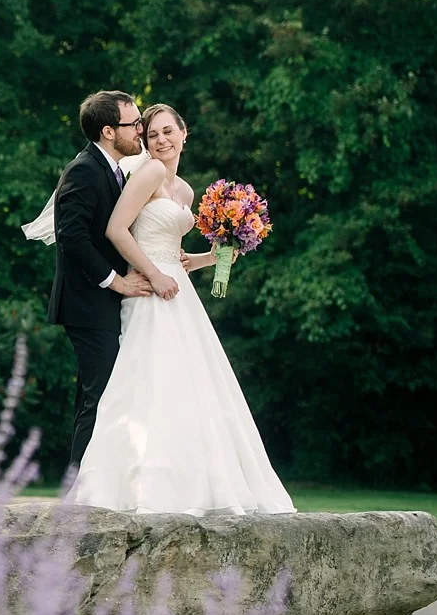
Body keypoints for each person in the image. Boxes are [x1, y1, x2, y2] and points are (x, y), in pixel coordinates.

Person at [63, 102, 294, 515]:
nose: (161, 140)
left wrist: (219, 254)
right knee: (149, 386)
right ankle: (135, 487)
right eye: (152, 134)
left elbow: (178, 255)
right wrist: (154, 275)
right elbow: (116, 230)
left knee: (192, 388)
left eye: (168, 131)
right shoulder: (148, 172)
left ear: (185, 133)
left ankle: (197, 486)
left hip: (178, 289)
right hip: (152, 290)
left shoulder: (185, 190)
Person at [44, 91, 154, 468]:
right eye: (133, 123)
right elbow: (71, 236)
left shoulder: (113, 170)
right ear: (109, 131)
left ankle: (83, 488)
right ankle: (80, 496)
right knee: (103, 398)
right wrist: (117, 282)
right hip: (86, 303)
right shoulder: (84, 170)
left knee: (97, 397)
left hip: (101, 304)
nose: (140, 129)